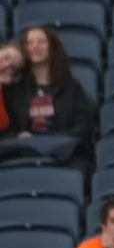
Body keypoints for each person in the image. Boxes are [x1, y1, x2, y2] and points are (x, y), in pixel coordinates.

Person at [1, 27, 97, 167]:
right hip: (23, 151)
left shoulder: (71, 87)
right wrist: (18, 137)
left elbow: (84, 125)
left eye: (41, 42)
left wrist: (59, 141)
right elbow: (6, 129)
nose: (35, 46)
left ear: (51, 48)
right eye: (30, 42)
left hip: (64, 152)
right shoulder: (15, 91)